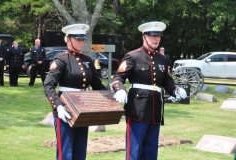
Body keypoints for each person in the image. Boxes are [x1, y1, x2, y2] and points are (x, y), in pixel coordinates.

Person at [111, 21, 187, 160]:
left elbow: (166, 80)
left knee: (151, 151)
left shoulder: (162, 58)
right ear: (144, 37)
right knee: (134, 151)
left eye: (158, 36)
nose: (156, 39)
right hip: (137, 110)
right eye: (152, 36)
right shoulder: (133, 56)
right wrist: (119, 89)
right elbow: (118, 78)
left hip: (155, 111)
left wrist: (175, 89)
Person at [44, 23, 106, 160]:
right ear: (68, 39)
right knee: (65, 152)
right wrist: (58, 106)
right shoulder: (61, 59)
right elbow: (48, 85)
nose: (81, 42)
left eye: (82, 39)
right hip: (66, 109)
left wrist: (111, 99)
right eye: (77, 39)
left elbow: (97, 85)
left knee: (80, 151)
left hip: (83, 109)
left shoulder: (87, 59)